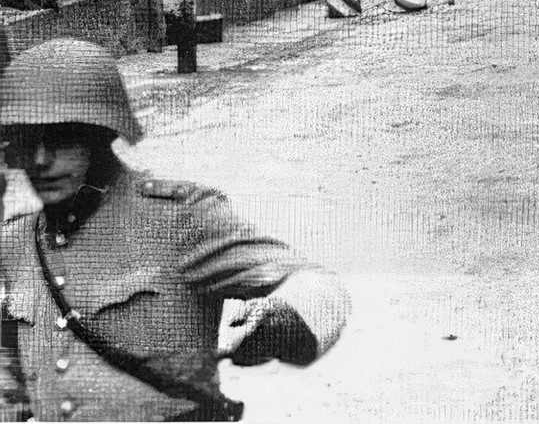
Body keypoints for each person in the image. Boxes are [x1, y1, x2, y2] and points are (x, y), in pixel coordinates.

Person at [0, 37, 349, 422]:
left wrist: (281, 318)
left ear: (100, 137)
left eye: (61, 140)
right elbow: (10, 379)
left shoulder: (180, 219)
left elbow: (315, 282)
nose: (39, 161)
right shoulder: (15, 243)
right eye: (26, 143)